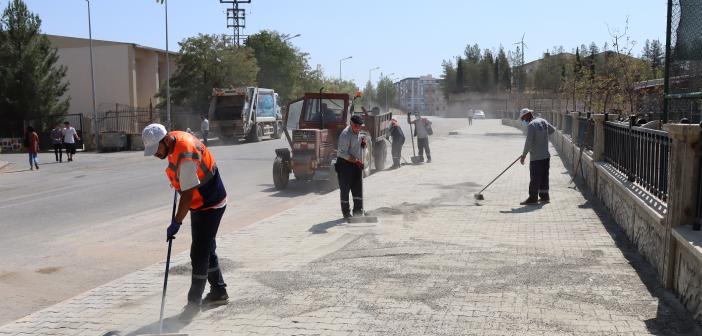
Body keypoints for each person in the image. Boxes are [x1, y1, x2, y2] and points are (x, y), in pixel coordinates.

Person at [142, 123, 229, 321]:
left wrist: (177, 222)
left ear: (165, 140)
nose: (156, 155)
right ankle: (219, 292)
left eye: (157, 150)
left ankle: (193, 305)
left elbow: (188, 196)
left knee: (198, 254)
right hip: (201, 203)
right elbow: (184, 186)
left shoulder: (186, 155)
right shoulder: (173, 139)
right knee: (207, 249)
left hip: (210, 203)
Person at [518, 108, 555, 205]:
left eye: (523, 118)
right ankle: (545, 197)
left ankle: (533, 198)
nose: (523, 120)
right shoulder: (543, 121)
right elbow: (552, 130)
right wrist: (542, 137)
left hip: (536, 157)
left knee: (535, 178)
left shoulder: (531, 125)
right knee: (544, 177)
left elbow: (528, 142)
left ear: (527, 116)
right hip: (546, 156)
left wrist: (524, 155)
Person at [336, 115, 365, 220]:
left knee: (358, 187)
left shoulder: (358, 132)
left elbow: (359, 141)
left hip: (355, 164)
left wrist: (362, 143)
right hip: (344, 164)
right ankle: (346, 213)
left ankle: (358, 211)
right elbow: (343, 153)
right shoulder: (345, 135)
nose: (358, 128)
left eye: (359, 126)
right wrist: (357, 161)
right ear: (351, 124)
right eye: (356, 126)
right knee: (345, 189)